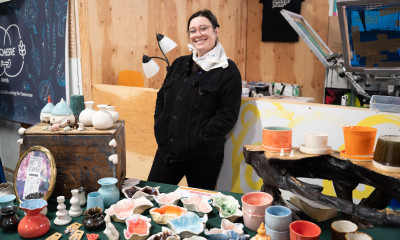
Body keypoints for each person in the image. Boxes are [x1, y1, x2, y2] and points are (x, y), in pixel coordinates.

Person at [147, 9, 242, 190]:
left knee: (200, 209)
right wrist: (160, 125)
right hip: (167, 152)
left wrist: (199, 137)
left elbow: (227, 117)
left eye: (203, 28)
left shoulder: (228, 71)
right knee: (151, 199)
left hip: (203, 157)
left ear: (216, 31)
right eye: (193, 30)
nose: (198, 34)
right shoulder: (179, 64)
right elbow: (161, 99)